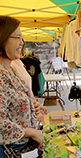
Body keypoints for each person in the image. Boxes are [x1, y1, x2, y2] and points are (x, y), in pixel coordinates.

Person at [0, 15, 44, 157]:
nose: (22, 43)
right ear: (2, 37)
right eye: (17, 37)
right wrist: (32, 132)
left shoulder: (10, 69)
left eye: (22, 38)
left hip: (22, 148)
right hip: (8, 151)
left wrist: (32, 105)